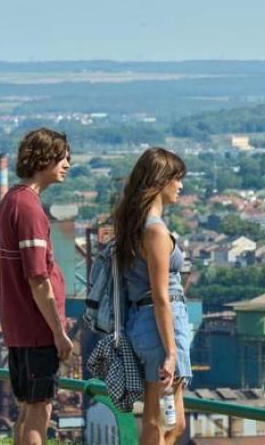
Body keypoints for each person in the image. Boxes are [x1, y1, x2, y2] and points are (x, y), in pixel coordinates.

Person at [0, 128, 73, 445]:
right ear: (45, 158)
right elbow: (37, 276)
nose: (67, 163)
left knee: (27, 408)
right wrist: (58, 330)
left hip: (17, 326)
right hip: (36, 327)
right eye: (63, 156)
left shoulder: (11, 201)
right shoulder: (30, 209)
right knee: (40, 410)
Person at [113, 147, 192, 445]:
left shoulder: (133, 225)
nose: (181, 186)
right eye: (177, 179)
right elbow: (160, 296)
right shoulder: (156, 232)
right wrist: (172, 352)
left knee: (157, 416)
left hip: (143, 324)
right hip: (161, 325)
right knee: (170, 423)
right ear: (160, 181)